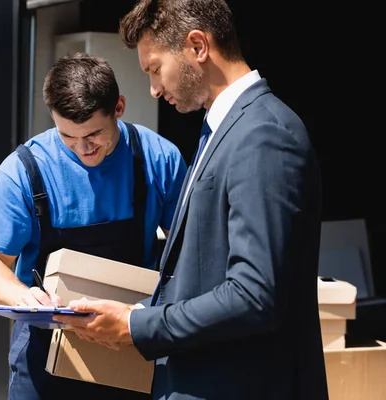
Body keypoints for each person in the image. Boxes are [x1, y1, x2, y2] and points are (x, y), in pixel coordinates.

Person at [54, 1, 329, 399]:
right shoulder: (225, 130)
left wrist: (138, 325)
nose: (153, 88)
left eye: (154, 68)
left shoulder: (263, 135)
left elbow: (254, 295)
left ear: (197, 46)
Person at [0, 52, 187, 400]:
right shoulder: (23, 171)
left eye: (94, 135)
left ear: (119, 106)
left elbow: (190, 252)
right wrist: (24, 297)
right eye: (68, 137)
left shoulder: (157, 158)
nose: (83, 149)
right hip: (44, 353)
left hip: (129, 343)